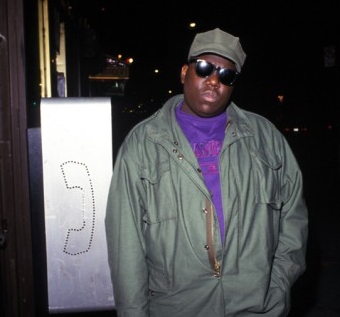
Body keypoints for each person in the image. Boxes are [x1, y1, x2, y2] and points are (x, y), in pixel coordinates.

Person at [105, 28, 308, 317]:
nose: (214, 80)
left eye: (227, 75)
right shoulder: (144, 143)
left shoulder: (266, 138)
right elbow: (126, 244)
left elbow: (293, 219)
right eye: (204, 68)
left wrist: (277, 285)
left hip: (257, 308)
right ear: (184, 72)